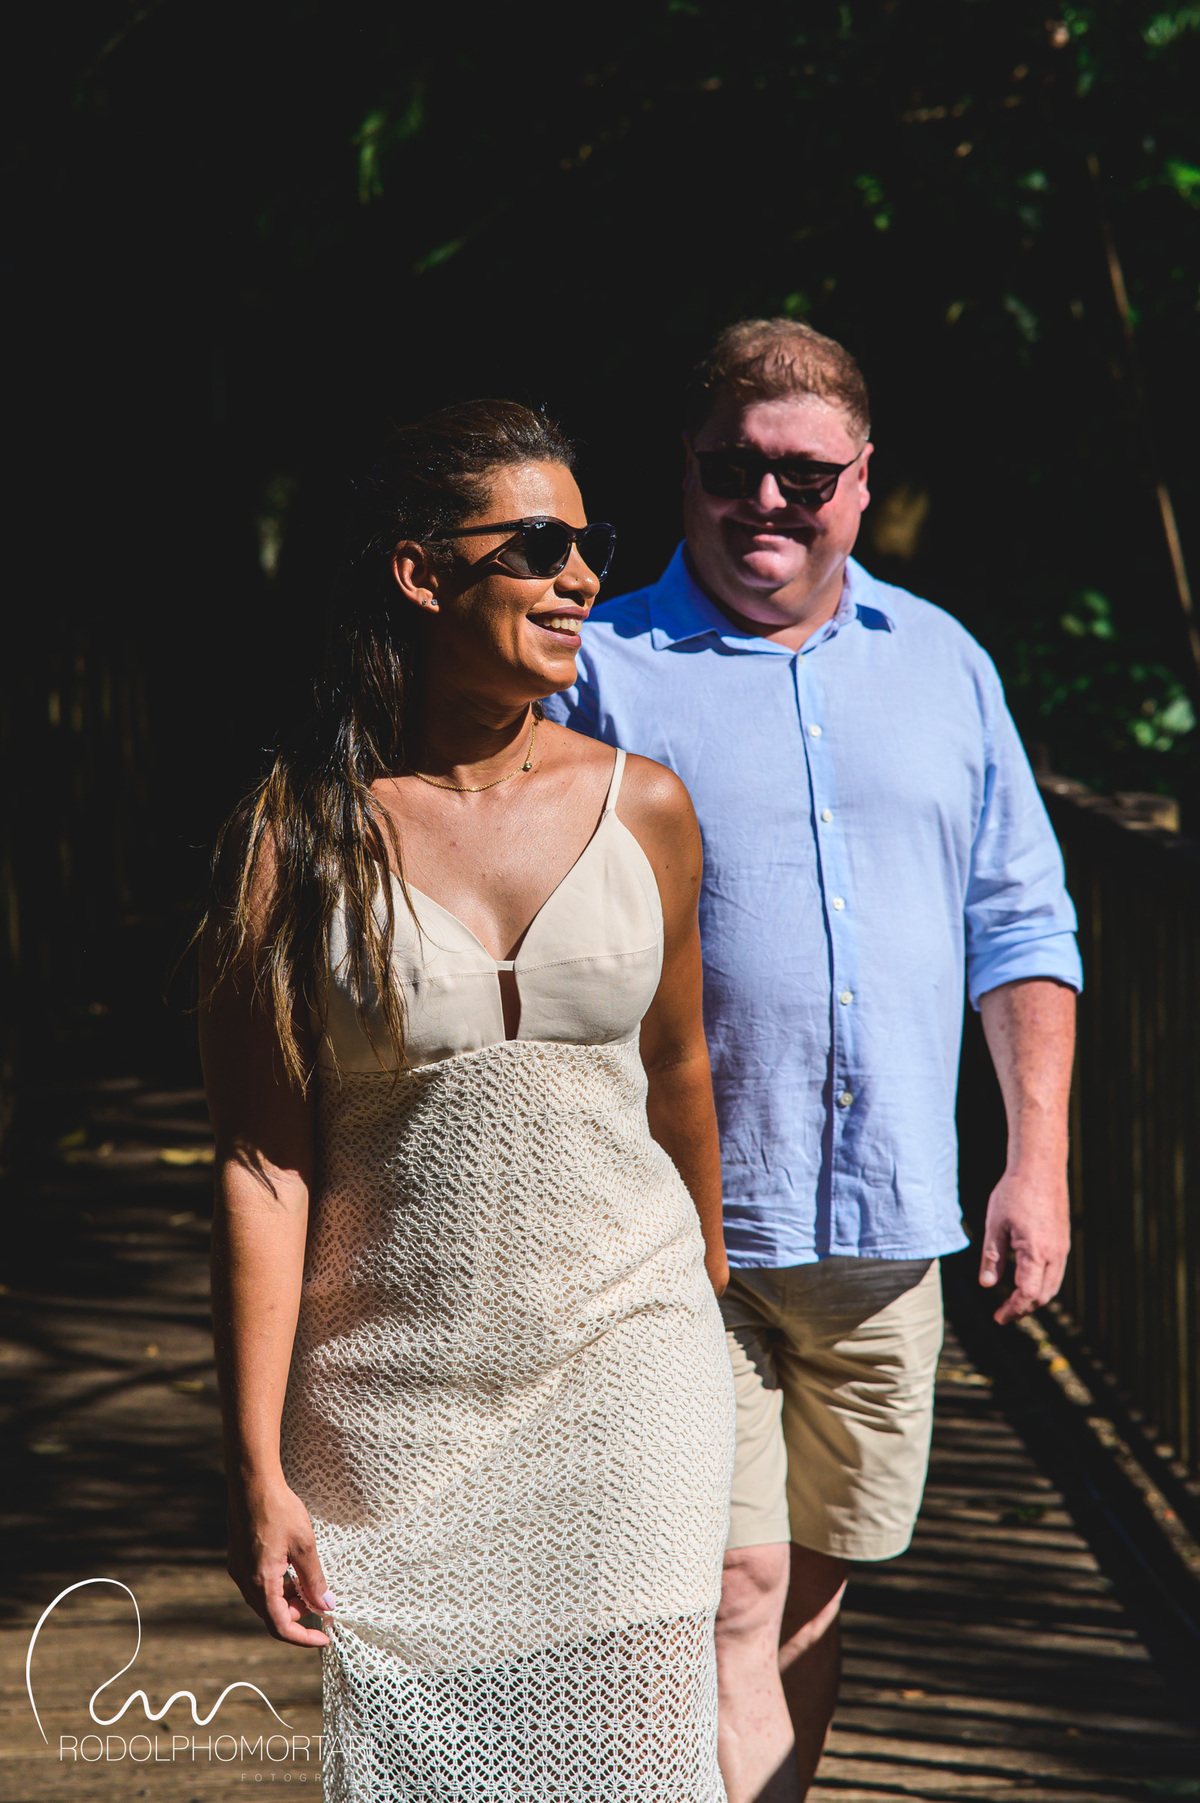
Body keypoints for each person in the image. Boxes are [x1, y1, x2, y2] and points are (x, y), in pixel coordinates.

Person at [542, 319, 1081, 1802]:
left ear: (863, 478)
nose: (765, 502)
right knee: (730, 1591)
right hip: (678, 1227)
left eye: (804, 475)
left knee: (808, 1597)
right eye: (734, 468)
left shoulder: (946, 664)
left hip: (891, 1224)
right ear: (686, 467)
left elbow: (1021, 923)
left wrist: (1035, 1161)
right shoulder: (601, 670)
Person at [199, 400, 736, 1802]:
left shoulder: (648, 810)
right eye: (540, 546)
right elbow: (263, 1165)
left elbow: (679, 1070)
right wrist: (254, 1465)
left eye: (591, 544)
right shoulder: (294, 842)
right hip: (391, 1404)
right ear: (421, 574)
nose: (582, 577)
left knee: (637, 1762)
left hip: (630, 1356)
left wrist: (706, 1284)